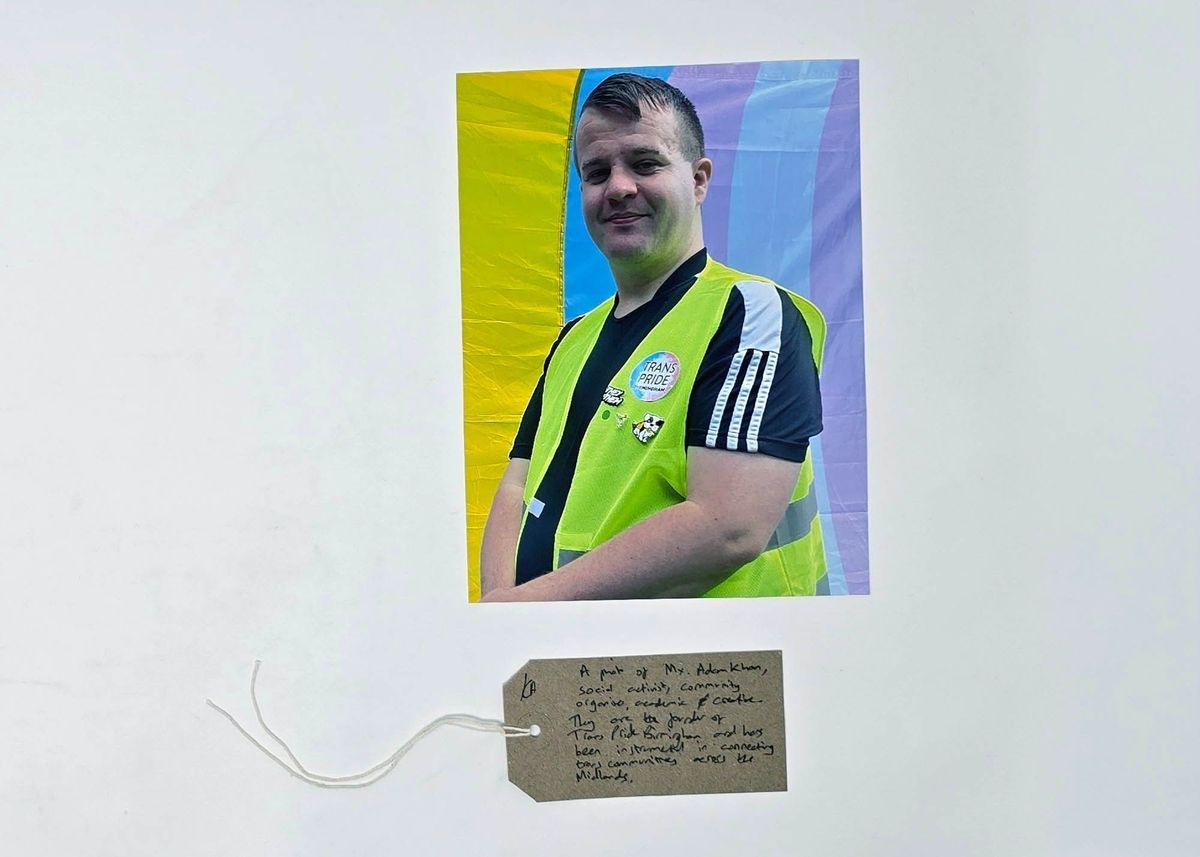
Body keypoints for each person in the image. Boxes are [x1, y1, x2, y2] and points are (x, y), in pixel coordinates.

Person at [479, 73, 826, 602]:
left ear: (699, 179)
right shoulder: (575, 337)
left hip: (705, 671)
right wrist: (499, 607)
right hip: (564, 657)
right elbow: (515, 485)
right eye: (597, 172)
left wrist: (525, 608)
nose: (618, 187)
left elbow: (729, 524)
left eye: (645, 163)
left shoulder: (750, 315)